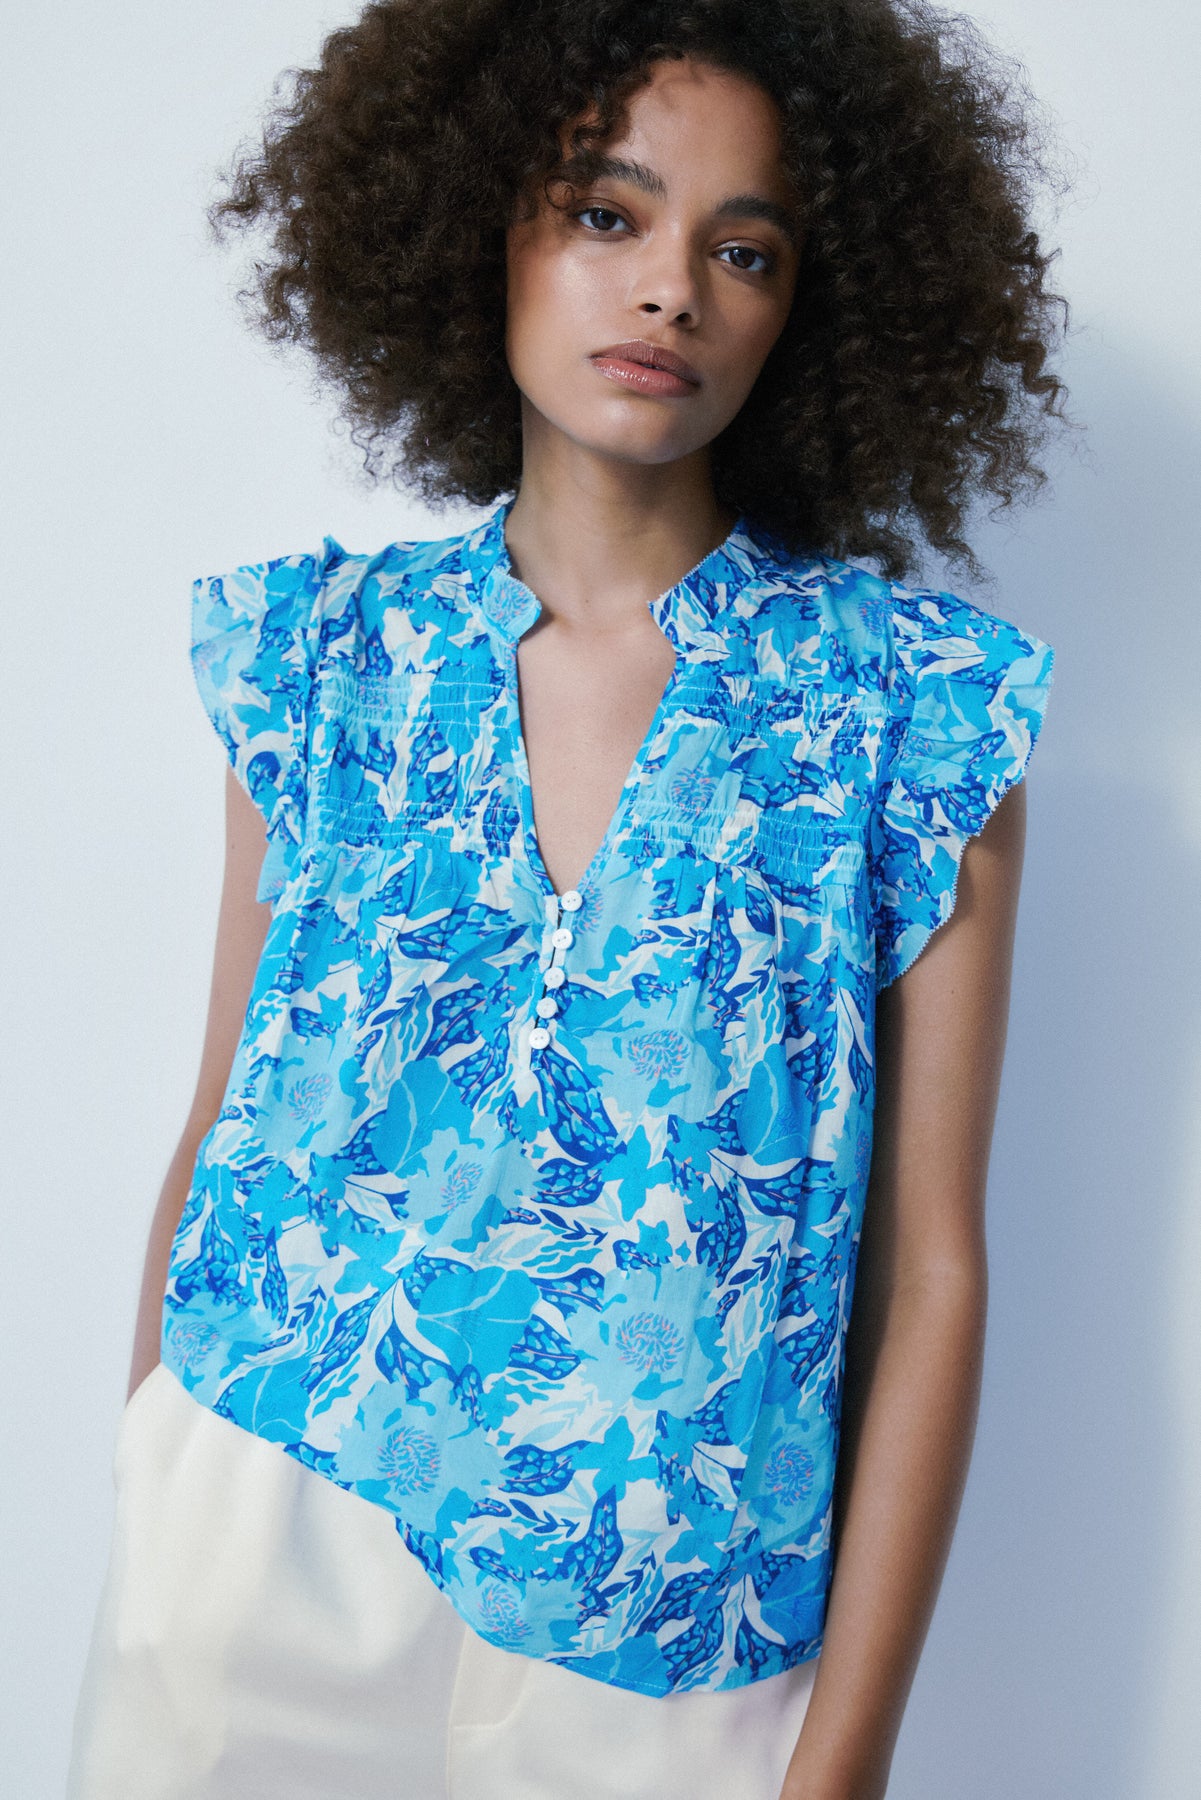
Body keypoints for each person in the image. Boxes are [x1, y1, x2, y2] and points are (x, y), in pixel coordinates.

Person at [66, 2, 1066, 1796]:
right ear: (482, 229)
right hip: (261, 1532)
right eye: (607, 214)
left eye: (741, 250)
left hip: (675, 1627)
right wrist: (156, 1479)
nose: (669, 289)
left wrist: (843, 1754)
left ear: (808, 307)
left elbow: (928, 1267)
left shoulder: (916, 709)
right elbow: (221, 1116)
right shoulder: (321, 656)